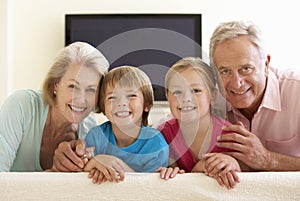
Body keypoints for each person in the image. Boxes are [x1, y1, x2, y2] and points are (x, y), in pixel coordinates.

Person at [0, 41, 109, 171]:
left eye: (91, 90)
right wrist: (53, 174)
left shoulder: (90, 130)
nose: (81, 99)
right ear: (55, 84)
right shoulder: (21, 106)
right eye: (73, 86)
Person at [209, 20, 300, 171]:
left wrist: (267, 159)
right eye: (225, 71)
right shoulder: (209, 98)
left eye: (246, 68)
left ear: (266, 65)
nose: (236, 83)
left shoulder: (296, 91)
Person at [157, 57, 240, 189]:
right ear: (168, 97)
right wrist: (165, 171)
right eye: (177, 92)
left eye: (196, 90)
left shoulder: (229, 135)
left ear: (213, 96)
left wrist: (234, 163)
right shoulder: (162, 134)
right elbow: (152, 176)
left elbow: (247, 180)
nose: (186, 99)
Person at [83, 66, 169, 184]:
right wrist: (94, 162)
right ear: (103, 107)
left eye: (131, 96)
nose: (121, 103)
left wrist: (116, 166)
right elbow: (79, 177)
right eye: (112, 97)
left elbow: (149, 189)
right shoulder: (95, 137)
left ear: (146, 104)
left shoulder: (156, 144)